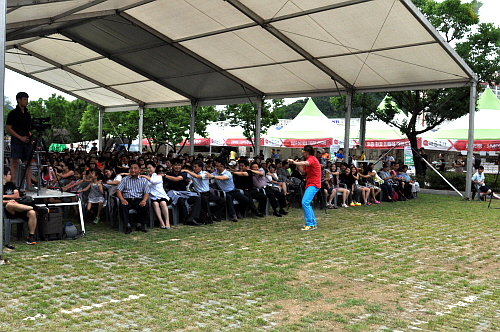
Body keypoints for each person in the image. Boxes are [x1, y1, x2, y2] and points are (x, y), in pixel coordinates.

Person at [3, 169, 48, 245]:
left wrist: (4, 196)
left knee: (32, 213)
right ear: (4, 176)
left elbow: (17, 195)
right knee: (10, 205)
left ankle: (31, 236)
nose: (11, 176)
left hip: (20, 206)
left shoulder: (11, 184)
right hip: (9, 209)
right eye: (9, 174)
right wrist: (9, 201)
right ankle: (36, 208)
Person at [288, 145, 321, 231]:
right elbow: (303, 172)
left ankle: (310, 224)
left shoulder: (312, 159)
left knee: (305, 202)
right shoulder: (309, 160)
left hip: (314, 184)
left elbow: (305, 163)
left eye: (303, 152)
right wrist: (298, 165)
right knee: (307, 203)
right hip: (310, 184)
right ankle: (313, 223)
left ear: (306, 152)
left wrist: (294, 163)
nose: (302, 153)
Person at [6, 92, 34, 191]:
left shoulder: (27, 114)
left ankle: (29, 184)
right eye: (25, 99)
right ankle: (12, 184)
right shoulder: (13, 114)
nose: (26, 101)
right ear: (19, 100)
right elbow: (8, 128)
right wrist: (19, 137)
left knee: (28, 163)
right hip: (16, 140)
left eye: (27, 99)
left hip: (26, 140)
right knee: (14, 162)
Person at [164, 159, 203, 226]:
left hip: (185, 193)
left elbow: (177, 179)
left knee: (197, 199)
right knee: (180, 199)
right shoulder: (168, 173)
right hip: (174, 194)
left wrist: (164, 175)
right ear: (172, 165)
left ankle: (192, 218)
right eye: (176, 165)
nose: (177, 167)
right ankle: (185, 218)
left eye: (179, 165)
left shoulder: (183, 173)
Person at [116, 162, 150, 234]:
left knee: (145, 206)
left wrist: (144, 200)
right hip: (127, 199)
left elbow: (147, 192)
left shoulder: (144, 180)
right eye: (131, 168)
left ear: (140, 170)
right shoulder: (125, 179)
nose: (133, 170)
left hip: (138, 199)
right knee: (123, 206)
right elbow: (118, 191)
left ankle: (139, 225)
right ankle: (127, 225)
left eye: (135, 168)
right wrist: (122, 199)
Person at [142, 162, 170, 229]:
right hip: (153, 197)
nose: (148, 170)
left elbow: (153, 181)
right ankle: (161, 221)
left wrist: (144, 176)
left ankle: (167, 221)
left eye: (150, 168)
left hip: (162, 196)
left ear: (154, 168)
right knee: (155, 204)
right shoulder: (146, 177)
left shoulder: (158, 176)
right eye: (147, 168)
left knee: (163, 203)